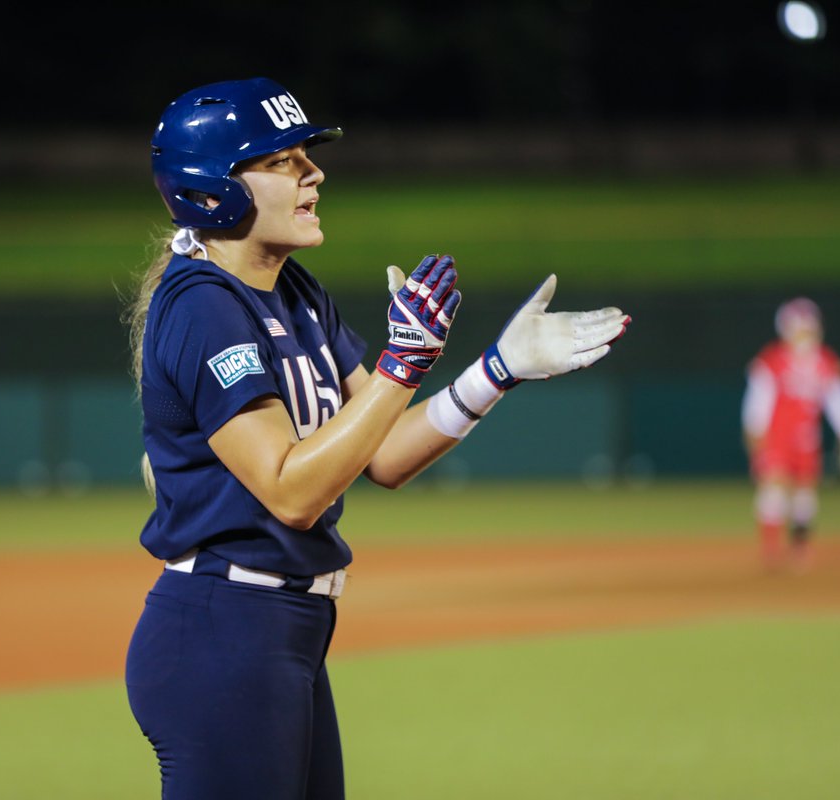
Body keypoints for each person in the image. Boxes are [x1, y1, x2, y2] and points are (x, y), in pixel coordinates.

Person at [123, 77, 631, 800]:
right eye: (283, 161)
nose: (313, 174)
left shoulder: (295, 291)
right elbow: (293, 492)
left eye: (307, 156)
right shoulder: (204, 307)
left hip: (280, 632)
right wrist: (401, 365)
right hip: (223, 634)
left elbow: (383, 454)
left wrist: (495, 371)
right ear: (210, 191)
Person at [742, 297, 840, 571]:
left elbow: (838, 403)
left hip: (807, 439)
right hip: (777, 437)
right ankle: (770, 550)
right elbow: (757, 405)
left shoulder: (826, 361)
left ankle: (800, 549)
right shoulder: (771, 361)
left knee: (804, 494)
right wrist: (757, 443)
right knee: (774, 487)